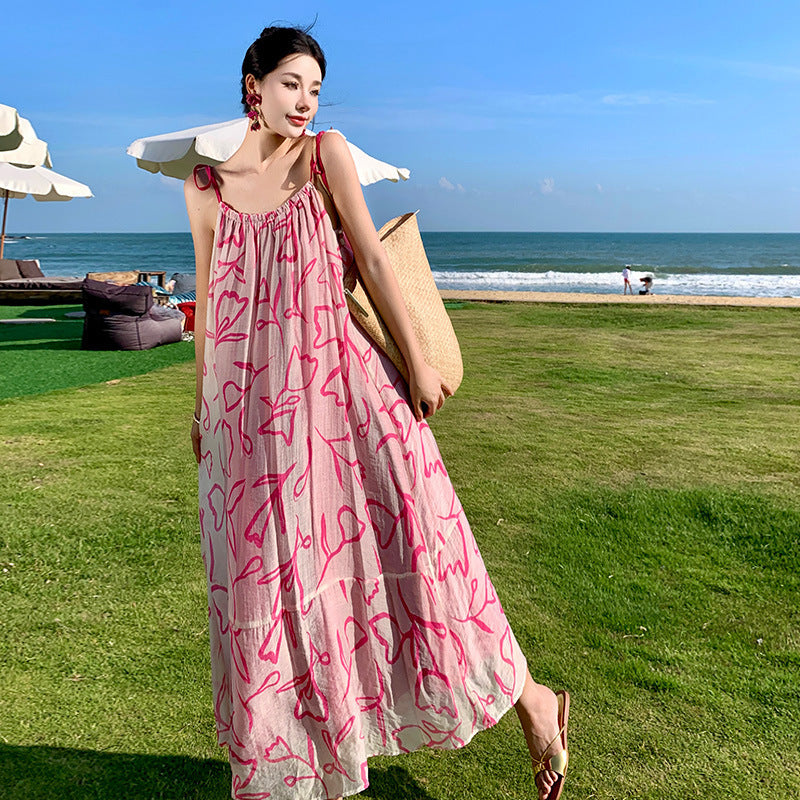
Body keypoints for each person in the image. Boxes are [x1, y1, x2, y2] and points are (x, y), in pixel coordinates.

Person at [184, 25, 570, 800]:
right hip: (252, 418)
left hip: (347, 395)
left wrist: (419, 360)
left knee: (427, 554)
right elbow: (211, 303)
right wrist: (201, 404)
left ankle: (531, 701)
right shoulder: (203, 185)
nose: (305, 102)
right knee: (270, 589)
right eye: (291, 83)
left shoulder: (325, 155)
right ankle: (286, 773)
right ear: (252, 85)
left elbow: (373, 260)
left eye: (316, 88)